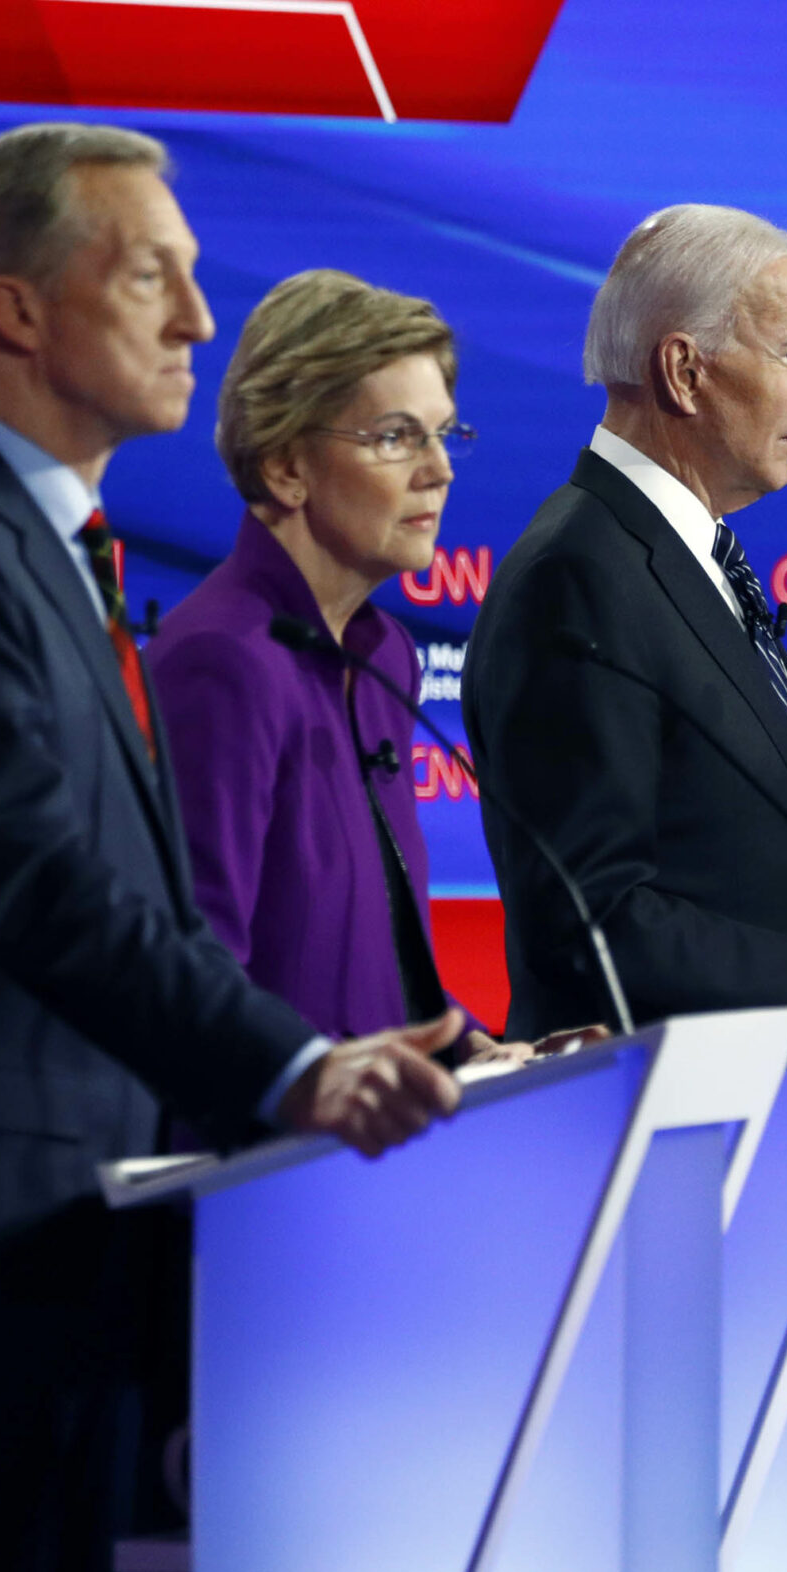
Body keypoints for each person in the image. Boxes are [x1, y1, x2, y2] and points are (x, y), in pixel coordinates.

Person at [0, 123, 463, 1572]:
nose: (199, 319)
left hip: (76, 1224)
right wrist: (298, 1066)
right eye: (152, 274)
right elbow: (44, 889)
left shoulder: (50, 547)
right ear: (17, 308)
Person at [462, 204, 787, 1034]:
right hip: (640, 1098)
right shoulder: (578, 575)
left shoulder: (684, 553)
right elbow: (589, 922)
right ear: (685, 371)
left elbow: (706, 870)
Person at [148, 269, 521, 1059]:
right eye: (396, 437)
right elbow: (195, 979)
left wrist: (467, 1048)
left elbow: (378, 960)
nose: (440, 469)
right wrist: (321, 1080)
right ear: (286, 466)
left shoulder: (384, 657)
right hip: (270, 1130)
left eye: (444, 433)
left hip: (377, 1126)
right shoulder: (220, 663)